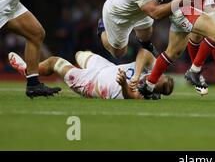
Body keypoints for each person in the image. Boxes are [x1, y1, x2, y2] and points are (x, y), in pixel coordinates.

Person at [97, 0, 182, 88]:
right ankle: (102, 29)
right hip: (119, 16)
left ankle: (146, 46)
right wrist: (180, 1)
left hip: (142, 10)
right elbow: (156, 13)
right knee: (119, 53)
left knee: (147, 33)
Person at [8, 51, 173, 100]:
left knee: (53, 62)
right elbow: (144, 52)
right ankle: (82, 65)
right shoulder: (151, 70)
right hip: (107, 67)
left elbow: (130, 95)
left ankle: (28, 71)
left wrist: (123, 83)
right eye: (160, 75)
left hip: (92, 83)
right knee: (80, 54)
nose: (157, 76)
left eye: (158, 82)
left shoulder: (146, 95)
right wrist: (137, 74)